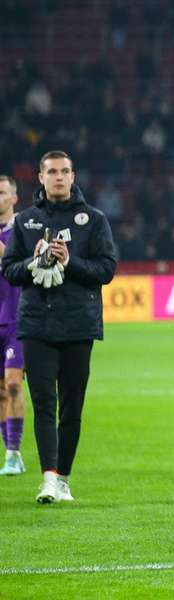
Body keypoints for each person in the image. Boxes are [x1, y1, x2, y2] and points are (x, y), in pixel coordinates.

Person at [2, 151, 117, 503]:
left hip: (79, 325)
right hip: (36, 324)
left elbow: (106, 270)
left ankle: (63, 477)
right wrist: (34, 262)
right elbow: (10, 269)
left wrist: (71, 261)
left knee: (71, 406)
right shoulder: (27, 223)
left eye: (64, 171)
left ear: (72, 176)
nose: (58, 177)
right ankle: (49, 479)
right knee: (44, 404)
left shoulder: (93, 220)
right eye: (51, 171)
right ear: (40, 177)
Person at [0, 175, 26, 476]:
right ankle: (11, 455)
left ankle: (13, 451)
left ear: (14, 198)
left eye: (2, 192)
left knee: (14, 383)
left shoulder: (22, 231)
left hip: (17, 319)